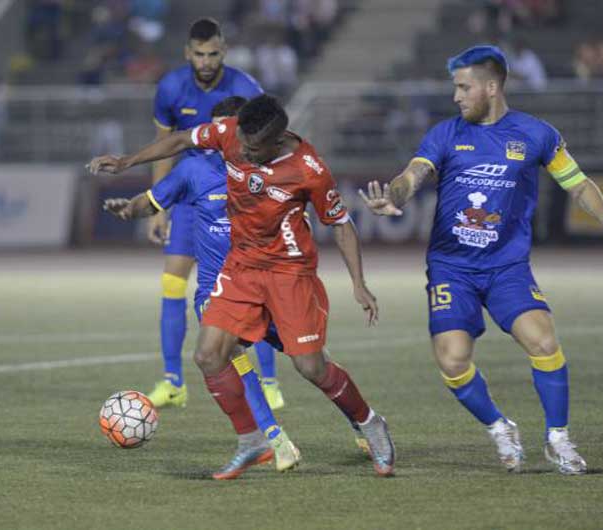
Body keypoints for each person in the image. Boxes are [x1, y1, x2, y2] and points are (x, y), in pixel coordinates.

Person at [359, 45, 603, 475]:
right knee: (453, 359)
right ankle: (499, 426)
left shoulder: (536, 134)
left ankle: (558, 439)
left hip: (506, 266)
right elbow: (412, 176)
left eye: (463, 87)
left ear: (491, 87)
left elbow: (576, 181)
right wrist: (392, 196)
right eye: (455, 88)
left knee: (544, 342)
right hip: (451, 267)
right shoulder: (445, 134)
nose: (456, 97)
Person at [90, 94, 396, 477]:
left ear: (278, 137)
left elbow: (340, 224)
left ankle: (370, 423)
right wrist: (126, 162)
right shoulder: (230, 133)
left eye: (255, 149)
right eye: (244, 146)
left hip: (289, 273)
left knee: (311, 367)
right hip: (242, 267)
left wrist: (359, 284)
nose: (245, 153)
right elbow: (182, 139)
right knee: (208, 355)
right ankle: (252, 441)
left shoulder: (309, 168)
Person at [101, 97, 298, 480]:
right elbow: (151, 201)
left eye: (231, 130)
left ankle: (362, 422)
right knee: (231, 355)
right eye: (217, 129)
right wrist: (129, 208)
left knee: (310, 361)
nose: (222, 138)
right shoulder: (193, 169)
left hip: (264, 281)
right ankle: (271, 438)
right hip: (217, 290)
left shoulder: (264, 171)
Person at [147, 17, 284, 411]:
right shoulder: (171, 87)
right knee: (172, 282)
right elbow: (164, 145)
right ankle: (174, 382)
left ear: (223, 51)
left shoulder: (245, 89)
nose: (206, 61)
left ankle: (271, 382)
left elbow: (269, 142)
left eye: (213, 54)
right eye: (199, 54)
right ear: (187, 53)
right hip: (192, 192)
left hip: (237, 193)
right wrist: (161, 207)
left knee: (249, 286)